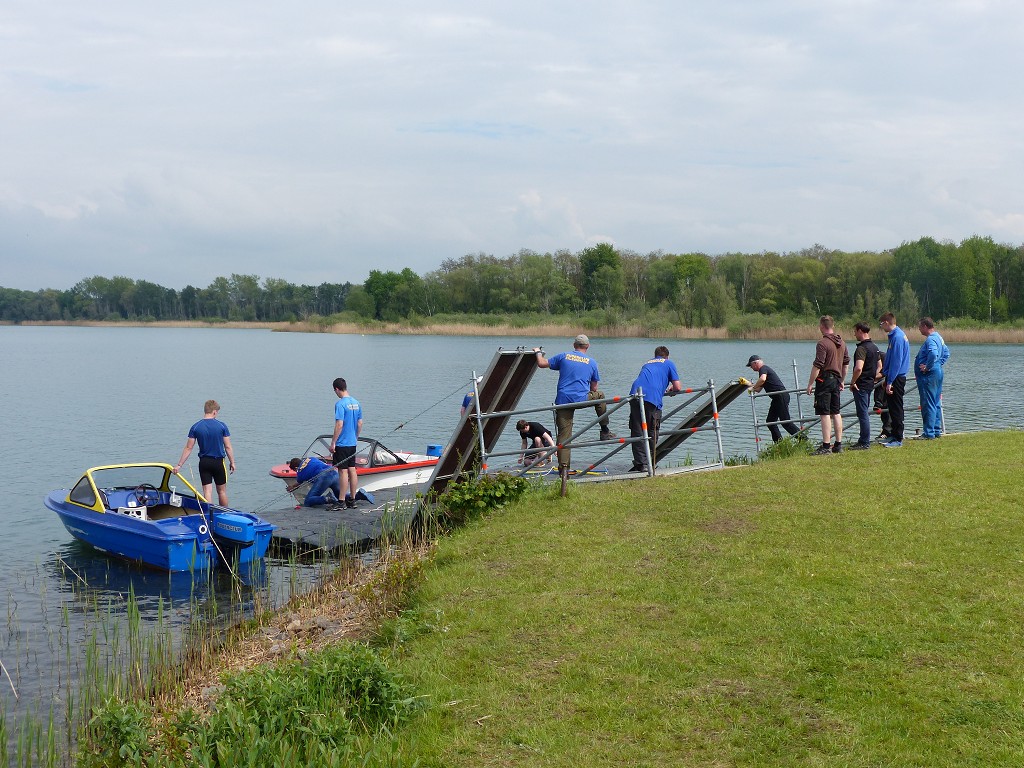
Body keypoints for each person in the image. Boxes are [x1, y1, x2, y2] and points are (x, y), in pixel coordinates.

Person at [533, 334, 616, 476]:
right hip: (582, 399)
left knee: (564, 436)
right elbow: (594, 388)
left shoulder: (564, 356)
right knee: (600, 395)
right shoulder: (592, 362)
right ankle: (604, 430)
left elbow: (541, 363)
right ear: (588, 346)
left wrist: (537, 352)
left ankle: (564, 469)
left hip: (563, 401)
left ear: (574, 345)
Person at [628, 346, 682, 472]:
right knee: (652, 430)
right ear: (667, 356)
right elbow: (678, 387)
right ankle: (649, 463)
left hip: (635, 394)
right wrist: (672, 390)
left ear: (655, 355)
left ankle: (640, 463)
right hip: (651, 398)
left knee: (638, 431)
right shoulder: (669, 363)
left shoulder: (647, 363)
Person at [173, 399, 236, 505]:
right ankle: (225, 512)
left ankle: (209, 513)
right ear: (214, 412)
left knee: (207, 491)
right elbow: (228, 447)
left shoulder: (196, 427)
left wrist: (179, 465)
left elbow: (188, 448)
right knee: (222, 491)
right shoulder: (222, 426)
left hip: (204, 462)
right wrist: (232, 462)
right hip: (218, 462)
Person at [805, 315, 850, 455]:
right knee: (836, 412)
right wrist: (842, 380)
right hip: (836, 380)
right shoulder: (842, 343)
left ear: (821, 326)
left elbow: (818, 365)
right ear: (832, 326)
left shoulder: (822, 343)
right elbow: (846, 364)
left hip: (824, 380)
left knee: (824, 413)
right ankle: (838, 444)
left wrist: (810, 383)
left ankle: (825, 446)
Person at [746, 355, 801, 443]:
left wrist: (753, 387)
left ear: (755, 363)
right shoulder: (763, 372)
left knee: (786, 422)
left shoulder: (763, 368)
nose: (751, 368)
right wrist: (749, 385)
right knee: (770, 421)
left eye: (751, 366)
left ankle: (804, 440)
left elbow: (762, 379)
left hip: (780, 396)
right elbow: (758, 389)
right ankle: (779, 444)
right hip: (776, 398)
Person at [914, 317, 950, 439]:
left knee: (928, 402)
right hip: (937, 372)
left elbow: (933, 353)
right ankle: (936, 430)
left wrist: (928, 367)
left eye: (920, 327)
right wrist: (938, 364)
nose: (919, 329)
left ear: (925, 326)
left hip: (928, 376)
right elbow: (946, 353)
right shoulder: (939, 337)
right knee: (936, 401)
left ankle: (928, 433)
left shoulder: (930, 339)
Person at [848, 322, 882, 450]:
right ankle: (863, 440)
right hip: (869, 384)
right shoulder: (874, 347)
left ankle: (864, 441)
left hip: (861, 385)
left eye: (855, 332)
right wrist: (873, 377)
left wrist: (853, 382)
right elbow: (880, 366)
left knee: (862, 414)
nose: (854, 334)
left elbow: (858, 368)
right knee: (864, 412)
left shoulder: (861, 349)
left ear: (860, 331)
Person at [879, 312, 910, 447]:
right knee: (892, 408)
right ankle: (893, 434)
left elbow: (896, 362)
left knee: (896, 408)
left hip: (896, 378)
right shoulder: (895, 336)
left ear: (887, 322)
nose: (881, 327)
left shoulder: (897, 337)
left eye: (881, 324)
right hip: (893, 376)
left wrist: (890, 381)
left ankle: (898, 438)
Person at [332, 378, 363, 508]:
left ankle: (341, 501)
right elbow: (360, 423)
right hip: (352, 443)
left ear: (336, 389)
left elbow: (339, 424)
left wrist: (333, 442)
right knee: (352, 470)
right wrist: (356, 437)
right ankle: (352, 499)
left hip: (342, 443)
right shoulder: (356, 403)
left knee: (342, 471)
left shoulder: (340, 404)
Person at [874, 350, 892, 442]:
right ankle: (887, 430)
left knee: (887, 409)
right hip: (882, 384)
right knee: (886, 411)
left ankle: (887, 431)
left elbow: (885, 372)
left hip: (886, 384)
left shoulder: (882, 356)